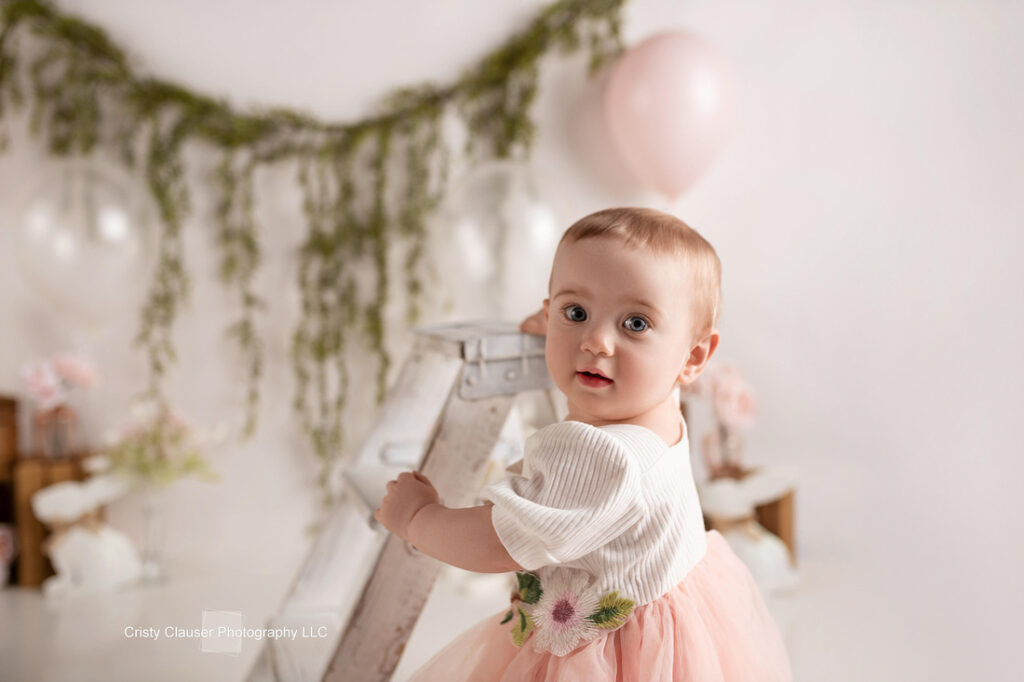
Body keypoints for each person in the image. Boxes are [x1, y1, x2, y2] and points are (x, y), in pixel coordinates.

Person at [375, 207, 792, 680]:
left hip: (602, 657)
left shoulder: (599, 457)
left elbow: (499, 542)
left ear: (692, 356)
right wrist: (559, 325)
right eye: (577, 313)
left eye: (634, 324)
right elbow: (611, 331)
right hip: (675, 618)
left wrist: (418, 517)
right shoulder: (659, 402)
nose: (595, 342)